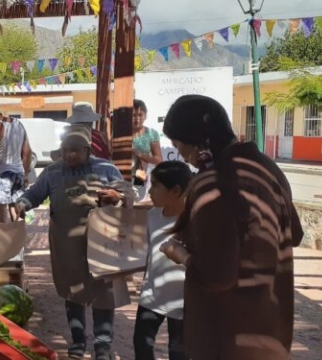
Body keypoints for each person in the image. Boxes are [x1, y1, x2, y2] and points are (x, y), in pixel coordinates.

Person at [159, 95, 304, 360]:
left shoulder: (213, 182)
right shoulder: (266, 167)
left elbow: (217, 276)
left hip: (226, 334)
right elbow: (294, 234)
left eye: (179, 147)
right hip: (270, 328)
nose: (184, 158)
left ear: (198, 144)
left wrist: (180, 254)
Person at [15, 130, 133, 360]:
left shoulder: (106, 169)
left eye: (75, 151)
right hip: (66, 244)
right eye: (65, 151)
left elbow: (129, 193)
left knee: (103, 293)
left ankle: (102, 345)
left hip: (102, 242)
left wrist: (116, 196)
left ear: (88, 151)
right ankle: (78, 341)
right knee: (73, 292)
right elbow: (35, 193)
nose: (69, 155)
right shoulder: (52, 172)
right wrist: (22, 203)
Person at [133, 161, 192, 360]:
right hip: (152, 294)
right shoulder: (152, 215)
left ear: (175, 190)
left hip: (183, 299)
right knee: (141, 343)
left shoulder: (193, 221)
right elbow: (151, 254)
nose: (149, 191)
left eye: (156, 185)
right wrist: (144, 282)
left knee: (178, 351)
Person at [132, 100, 163, 201]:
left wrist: (140, 154)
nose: (137, 119)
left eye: (140, 115)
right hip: (121, 173)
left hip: (140, 173)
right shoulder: (121, 132)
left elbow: (158, 160)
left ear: (145, 116)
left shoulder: (151, 133)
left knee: (136, 199)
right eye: (133, 115)